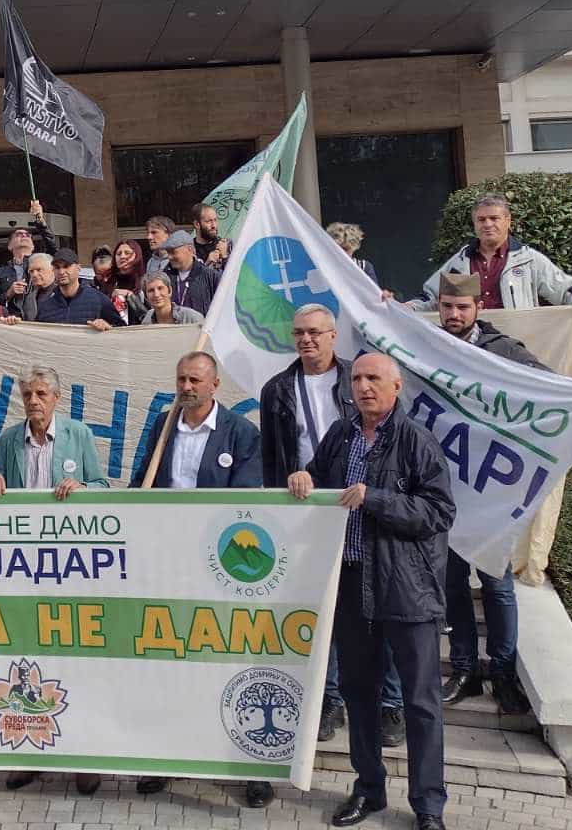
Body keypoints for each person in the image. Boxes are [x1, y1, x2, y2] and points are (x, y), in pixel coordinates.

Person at [432, 273, 572, 715]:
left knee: (496, 581)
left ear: (476, 310)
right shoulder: (427, 348)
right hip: (446, 484)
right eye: (447, 307)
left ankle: (504, 673)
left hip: (491, 488)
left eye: (461, 308)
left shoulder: (503, 350)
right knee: (452, 581)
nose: (453, 315)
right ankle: (465, 669)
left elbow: (553, 391)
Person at [287, 354, 455, 830]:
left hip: (407, 590)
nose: (363, 386)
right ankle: (369, 789)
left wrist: (376, 498)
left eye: (373, 379)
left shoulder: (416, 441)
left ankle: (428, 806)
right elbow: (318, 479)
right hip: (350, 583)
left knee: (420, 704)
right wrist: (304, 477)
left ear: (396, 386)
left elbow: (439, 513)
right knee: (359, 693)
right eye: (357, 378)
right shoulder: (340, 435)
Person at [258, 305, 403, 743]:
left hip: (362, 501)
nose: (307, 340)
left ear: (333, 335)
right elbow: (271, 457)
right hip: (307, 506)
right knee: (326, 609)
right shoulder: (278, 389)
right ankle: (331, 700)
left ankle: (391, 704)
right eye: (299, 332)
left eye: (315, 332)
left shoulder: (355, 378)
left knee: (382, 606)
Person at [130, 352, 268, 809]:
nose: (186, 386)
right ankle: (169, 758)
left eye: (194, 379)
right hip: (169, 567)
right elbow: (140, 485)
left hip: (222, 569)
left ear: (214, 385)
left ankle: (251, 766)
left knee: (229, 664)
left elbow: (245, 501)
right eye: (180, 378)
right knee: (172, 666)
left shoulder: (241, 434)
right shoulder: (163, 425)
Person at [0, 366, 109, 798]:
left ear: (57, 398)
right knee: (27, 664)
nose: (34, 401)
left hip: (70, 568)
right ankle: (31, 756)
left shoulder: (79, 436)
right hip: (23, 569)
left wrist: (83, 487)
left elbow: (102, 485)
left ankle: (84, 759)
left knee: (76, 661)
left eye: (41, 394)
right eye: (27, 395)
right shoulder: (8, 441)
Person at [413, 193, 572, 313]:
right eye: (481, 219)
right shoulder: (459, 262)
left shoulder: (528, 259)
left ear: (508, 221)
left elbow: (566, 289)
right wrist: (404, 308)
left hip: (515, 347)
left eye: (494, 218)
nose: (487, 224)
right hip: (473, 346)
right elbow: (430, 298)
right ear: (474, 224)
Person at [0, 200, 58, 311]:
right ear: (9, 246)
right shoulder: (0, 273)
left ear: (32, 245)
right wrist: (9, 293)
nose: (24, 235)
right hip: (14, 321)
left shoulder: (44, 261)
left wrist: (39, 220)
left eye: (27, 235)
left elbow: (52, 246)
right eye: (18, 234)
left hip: (41, 316)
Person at [35, 249, 125, 328]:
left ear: (78, 268)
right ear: (53, 270)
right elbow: (35, 335)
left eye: (66, 266)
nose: (61, 272)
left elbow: (122, 330)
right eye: (57, 268)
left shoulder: (99, 300)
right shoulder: (45, 306)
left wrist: (108, 326)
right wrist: (20, 327)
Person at [162, 230, 218, 316]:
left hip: (199, 328)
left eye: (173, 252)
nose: (169, 257)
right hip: (173, 328)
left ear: (190, 250)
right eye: (168, 252)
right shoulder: (165, 277)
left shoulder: (211, 276)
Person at [327, 222, 383, 289]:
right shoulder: (324, 267)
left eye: (346, 249)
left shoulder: (364, 267)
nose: (342, 253)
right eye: (338, 249)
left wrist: (384, 296)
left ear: (354, 247)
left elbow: (374, 293)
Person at [136, 272, 203, 326]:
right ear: (146, 297)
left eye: (160, 288)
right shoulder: (147, 321)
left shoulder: (192, 318)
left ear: (170, 290)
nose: (156, 294)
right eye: (151, 290)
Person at [9, 251, 56, 322]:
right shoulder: (28, 298)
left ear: (53, 269)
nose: (34, 275)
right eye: (31, 271)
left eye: (39, 270)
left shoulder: (64, 293)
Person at [192, 202, 232, 271]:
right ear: (197, 224)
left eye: (215, 220)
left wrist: (225, 257)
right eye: (208, 221)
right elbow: (189, 280)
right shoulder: (189, 250)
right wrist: (207, 264)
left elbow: (235, 275)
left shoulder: (226, 245)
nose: (214, 225)